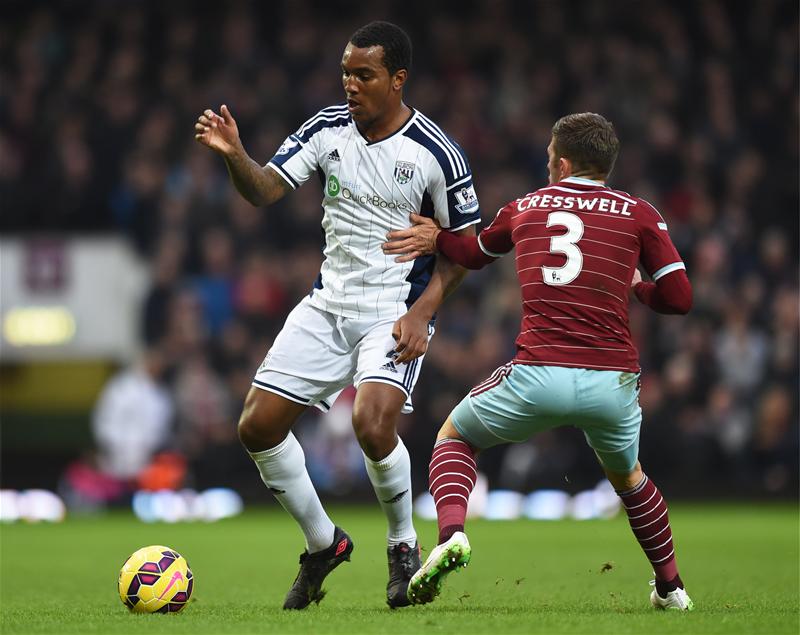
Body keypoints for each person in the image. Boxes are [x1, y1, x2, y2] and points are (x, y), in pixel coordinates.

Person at [194, 21, 480, 609]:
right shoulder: (325, 130)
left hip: (393, 308)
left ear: (397, 79)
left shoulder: (434, 152)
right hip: (327, 304)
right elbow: (265, 190)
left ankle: (402, 547)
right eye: (346, 72)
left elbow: (467, 248)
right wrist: (235, 156)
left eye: (364, 74)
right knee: (256, 426)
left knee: (372, 425)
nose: (351, 84)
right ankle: (323, 543)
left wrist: (423, 314)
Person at [382, 113, 695, 611]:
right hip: (611, 383)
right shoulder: (639, 212)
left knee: (454, 438)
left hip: (538, 375)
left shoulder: (526, 207)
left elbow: (474, 253)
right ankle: (672, 589)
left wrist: (436, 238)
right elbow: (680, 298)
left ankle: (451, 535)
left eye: (551, 157)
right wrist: (638, 286)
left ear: (563, 161)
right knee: (631, 479)